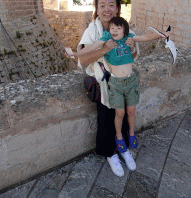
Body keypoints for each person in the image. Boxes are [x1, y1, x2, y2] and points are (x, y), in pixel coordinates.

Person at [67, 16, 170, 172]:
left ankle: (131, 134)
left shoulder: (129, 37)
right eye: (112, 28)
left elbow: (144, 37)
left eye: (118, 28)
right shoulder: (107, 39)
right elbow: (92, 46)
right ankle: (119, 138)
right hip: (115, 83)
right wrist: (76, 54)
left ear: (125, 30)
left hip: (131, 81)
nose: (114, 31)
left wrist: (161, 34)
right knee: (119, 113)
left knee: (131, 111)